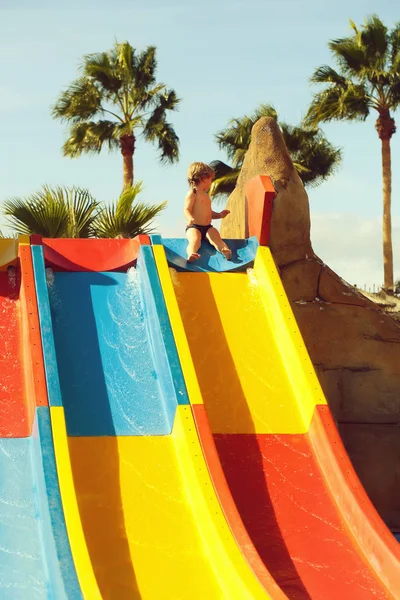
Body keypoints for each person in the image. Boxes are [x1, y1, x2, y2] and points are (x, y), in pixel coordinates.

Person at [184, 162, 232, 262]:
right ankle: (191, 254)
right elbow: (186, 209)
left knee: (216, 238)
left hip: (207, 227)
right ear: (204, 178)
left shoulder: (205, 195)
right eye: (210, 179)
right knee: (195, 240)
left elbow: (209, 212)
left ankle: (224, 250)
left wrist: (219, 215)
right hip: (194, 227)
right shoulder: (193, 193)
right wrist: (189, 218)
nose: (211, 182)